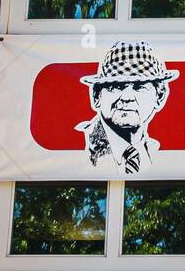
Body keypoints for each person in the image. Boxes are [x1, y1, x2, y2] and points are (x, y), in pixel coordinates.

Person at [76, 41, 179, 174]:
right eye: (116, 86)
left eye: (139, 87)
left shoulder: (155, 151)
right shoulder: (75, 144)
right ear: (97, 96)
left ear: (159, 96)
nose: (127, 97)